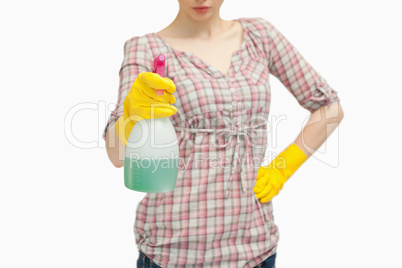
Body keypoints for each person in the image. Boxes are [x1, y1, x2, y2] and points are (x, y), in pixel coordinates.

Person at [103, 0, 344, 267]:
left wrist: (282, 168)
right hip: (172, 250)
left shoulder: (260, 36)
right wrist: (131, 114)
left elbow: (329, 108)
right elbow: (117, 155)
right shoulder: (145, 48)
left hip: (255, 248)